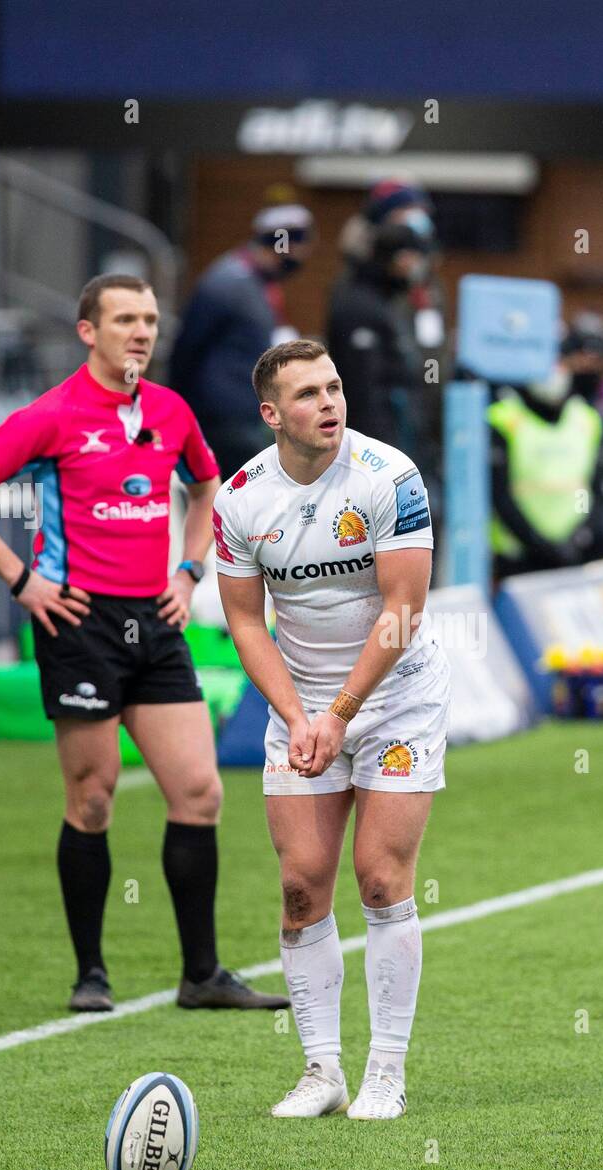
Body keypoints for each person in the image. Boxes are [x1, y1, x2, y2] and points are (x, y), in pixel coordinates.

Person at [0, 273, 286, 1015]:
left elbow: (208, 483)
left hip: (155, 621)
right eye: (125, 318)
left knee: (199, 791)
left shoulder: (170, 409)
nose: (142, 332)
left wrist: (191, 572)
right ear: (88, 331)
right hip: (77, 622)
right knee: (91, 800)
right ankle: (90, 974)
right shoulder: (54, 414)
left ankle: (203, 975)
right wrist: (20, 579)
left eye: (151, 319)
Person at [214, 338, 447, 1121]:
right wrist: (296, 716)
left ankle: (386, 1069)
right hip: (302, 705)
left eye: (336, 387)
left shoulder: (390, 477)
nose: (330, 403)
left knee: (381, 877)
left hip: (395, 699)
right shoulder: (241, 499)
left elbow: (403, 611)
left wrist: (339, 714)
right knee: (301, 883)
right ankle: (323, 1070)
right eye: (309, 394)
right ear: (272, 413)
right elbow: (246, 623)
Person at [488, 317, 603, 580]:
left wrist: (580, 535)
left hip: (574, 548)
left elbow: (595, 486)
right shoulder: (506, 418)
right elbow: (501, 495)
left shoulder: (588, 420)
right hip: (518, 555)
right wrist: (540, 544)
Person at [169, 204, 315, 468]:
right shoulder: (227, 282)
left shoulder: (258, 282)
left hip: (246, 415)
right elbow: (186, 351)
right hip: (225, 421)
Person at [326, 220, 432, 455]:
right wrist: (378, 451)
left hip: (394, 428)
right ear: (399, 258)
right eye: (414, 258)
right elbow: (362, 386)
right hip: (376, 439)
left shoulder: (385, 299)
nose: (417, 266)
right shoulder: (360, 304)